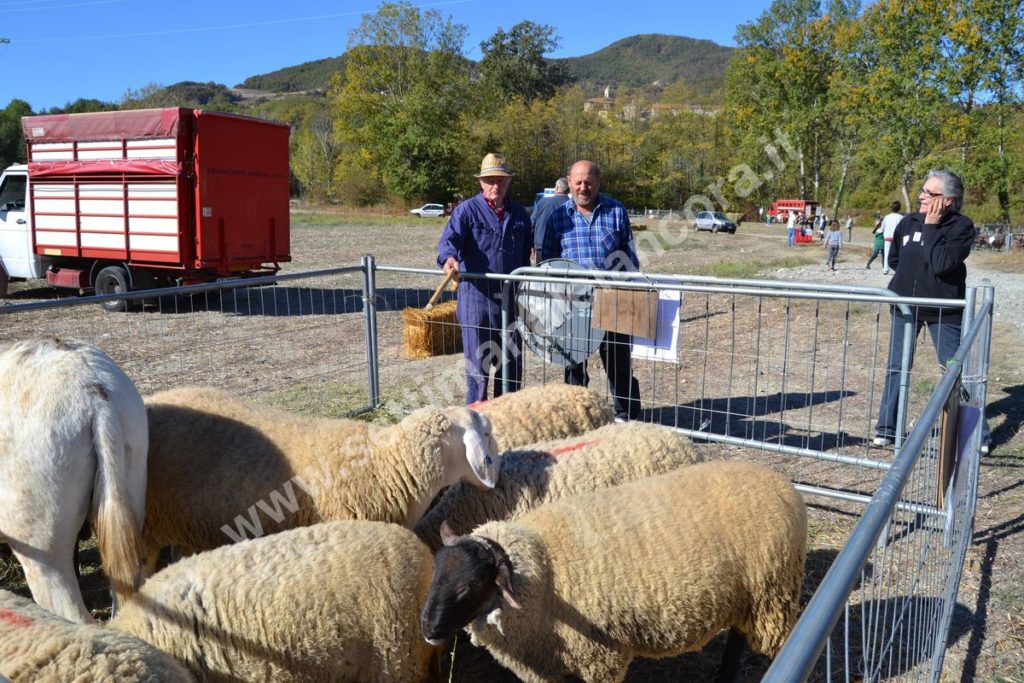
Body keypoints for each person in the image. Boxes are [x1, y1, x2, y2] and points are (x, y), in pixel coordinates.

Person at [873, 170, 988, 451]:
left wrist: (932, 227)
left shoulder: (961, 228)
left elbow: (942, 264)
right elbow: (897, 259)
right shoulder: (907, 222)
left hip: (943, 311)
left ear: (947, 200)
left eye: (929, 193)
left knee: (954, 372)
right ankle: (887, 428)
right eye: (922, 191)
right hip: (905, 308)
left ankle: (977, 434)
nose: (921, 196)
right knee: (897, 368)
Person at [541, 159, 641, 421]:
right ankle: (577, 418)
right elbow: (548, 263)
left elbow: (629, 255)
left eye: (588, 181)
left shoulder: (616, 210)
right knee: (573, 367)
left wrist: (628, 289)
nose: (583, 187)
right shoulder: (558, 217)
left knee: (619, 363)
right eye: (578, 182)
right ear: (569, 182)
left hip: (612, 299)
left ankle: (626, 416)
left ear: (598, 182)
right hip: (573, 305)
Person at [437, 153, 533, 404]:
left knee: (510, 367)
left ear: (509, 182)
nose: (495, 185)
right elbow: (448, 242)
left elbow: (526, 257)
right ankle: (477, 423)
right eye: (489, 180)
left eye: (500, 180)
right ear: (481, 182)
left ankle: (505, 422)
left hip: (511, 302)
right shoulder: (466, 211)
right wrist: (448, 259)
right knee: (477, 369)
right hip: (475, 301)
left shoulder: (521, 215)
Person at [531, 176, 569, 250]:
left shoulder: (543, 202)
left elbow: (532, 222)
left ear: (557, 187)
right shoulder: (573, 204)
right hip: (565, 246)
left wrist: (531, 244)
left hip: (541, 243)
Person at [879, 200, 903, 275]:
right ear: (899, 208)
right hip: (896, 238)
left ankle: (886, 269)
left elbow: (882, 227)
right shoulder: (901, 217)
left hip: (887, 238)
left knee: (887, 253)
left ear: (891, 208)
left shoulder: (887, 217)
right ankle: (897, 269)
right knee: (898, 254)